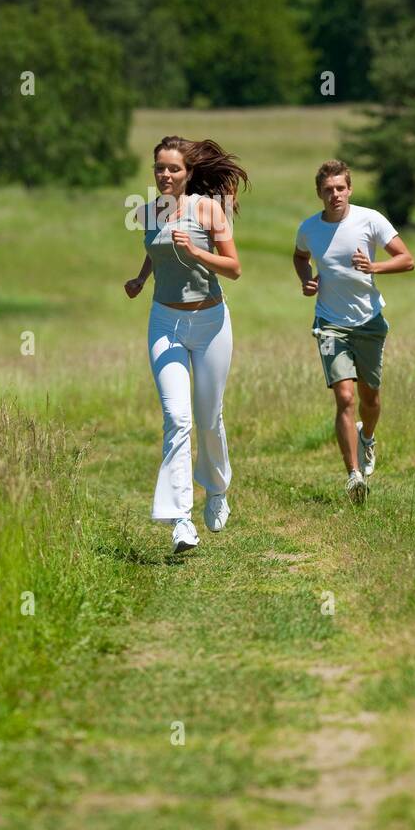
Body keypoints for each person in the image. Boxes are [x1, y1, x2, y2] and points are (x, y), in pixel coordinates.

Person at [125, 136, 248, 552]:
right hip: (165, 321)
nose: (165, 175)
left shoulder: (208, 209)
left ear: (188, 172)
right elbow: (155, 250)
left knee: (208, 417)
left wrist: (196, 252)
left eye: (173, 169)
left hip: (211, 322)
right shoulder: (146, 212)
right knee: (177, 418)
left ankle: (216, 489)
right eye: (159, 167)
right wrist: (142, 279)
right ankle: (181, 520)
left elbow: (233, 268)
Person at [292, 159, 415, 503]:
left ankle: (368, 439)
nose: (335, 195)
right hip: (330, 324)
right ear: (319, 193)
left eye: (340, 188)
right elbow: (300, 257)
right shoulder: (309, 228)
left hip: (369, 321)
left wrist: (373, 266)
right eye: (328, 190)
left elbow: (407, 259)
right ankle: (353, 476)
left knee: (369, 399)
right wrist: (307, 281)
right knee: (344, 397)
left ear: (350, 189)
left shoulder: (370, 219)